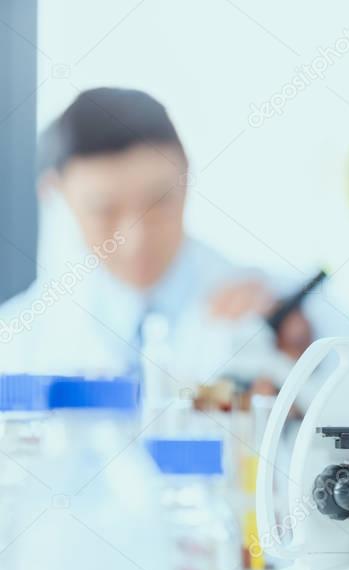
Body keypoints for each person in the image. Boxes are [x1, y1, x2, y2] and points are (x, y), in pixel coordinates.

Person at [0, 87, 309, 383]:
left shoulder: (280, 307)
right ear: (54, 194)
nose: (136, 242)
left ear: (186, 175)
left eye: (159, 202)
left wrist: (297, 371)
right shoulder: (17, 341)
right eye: (104, 211)